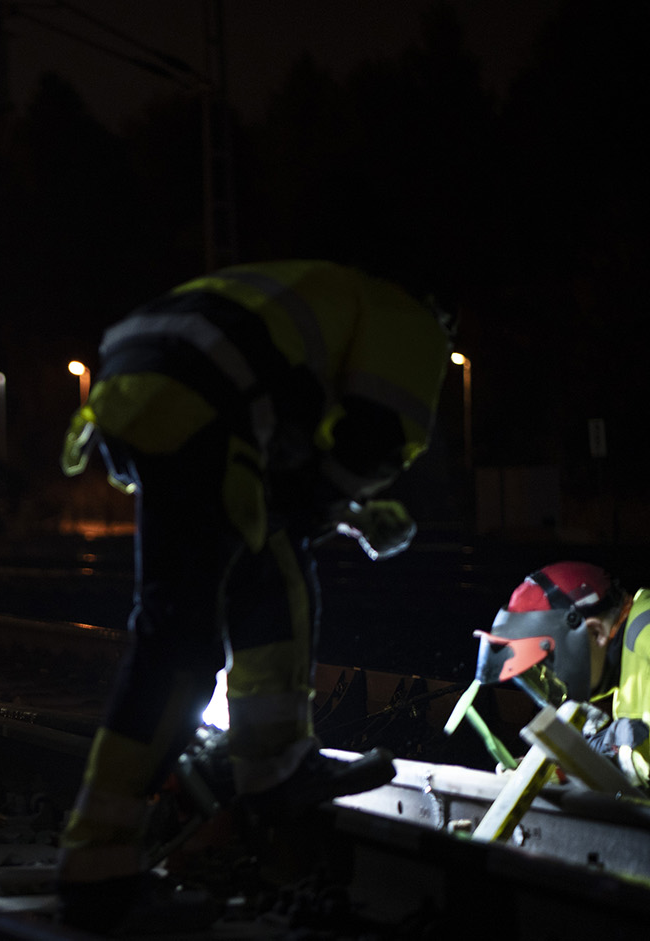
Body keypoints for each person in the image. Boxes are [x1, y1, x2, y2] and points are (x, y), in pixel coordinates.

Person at [54, 260, 453, 932]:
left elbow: (284, 474)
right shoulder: (411, 321)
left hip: (139, 381)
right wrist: (340, 500)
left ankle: (272, 768)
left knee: (265, 569)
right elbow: (374, 438)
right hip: (202, 398)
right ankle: (101, 866)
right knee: (183, 640)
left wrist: (334, 510)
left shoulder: (328, 299)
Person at [476, 561, 649, 785]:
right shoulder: (633, 657)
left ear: (595, 633)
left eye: (549, 666)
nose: (552, 681)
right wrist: (555, 771)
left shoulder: (645, 637)